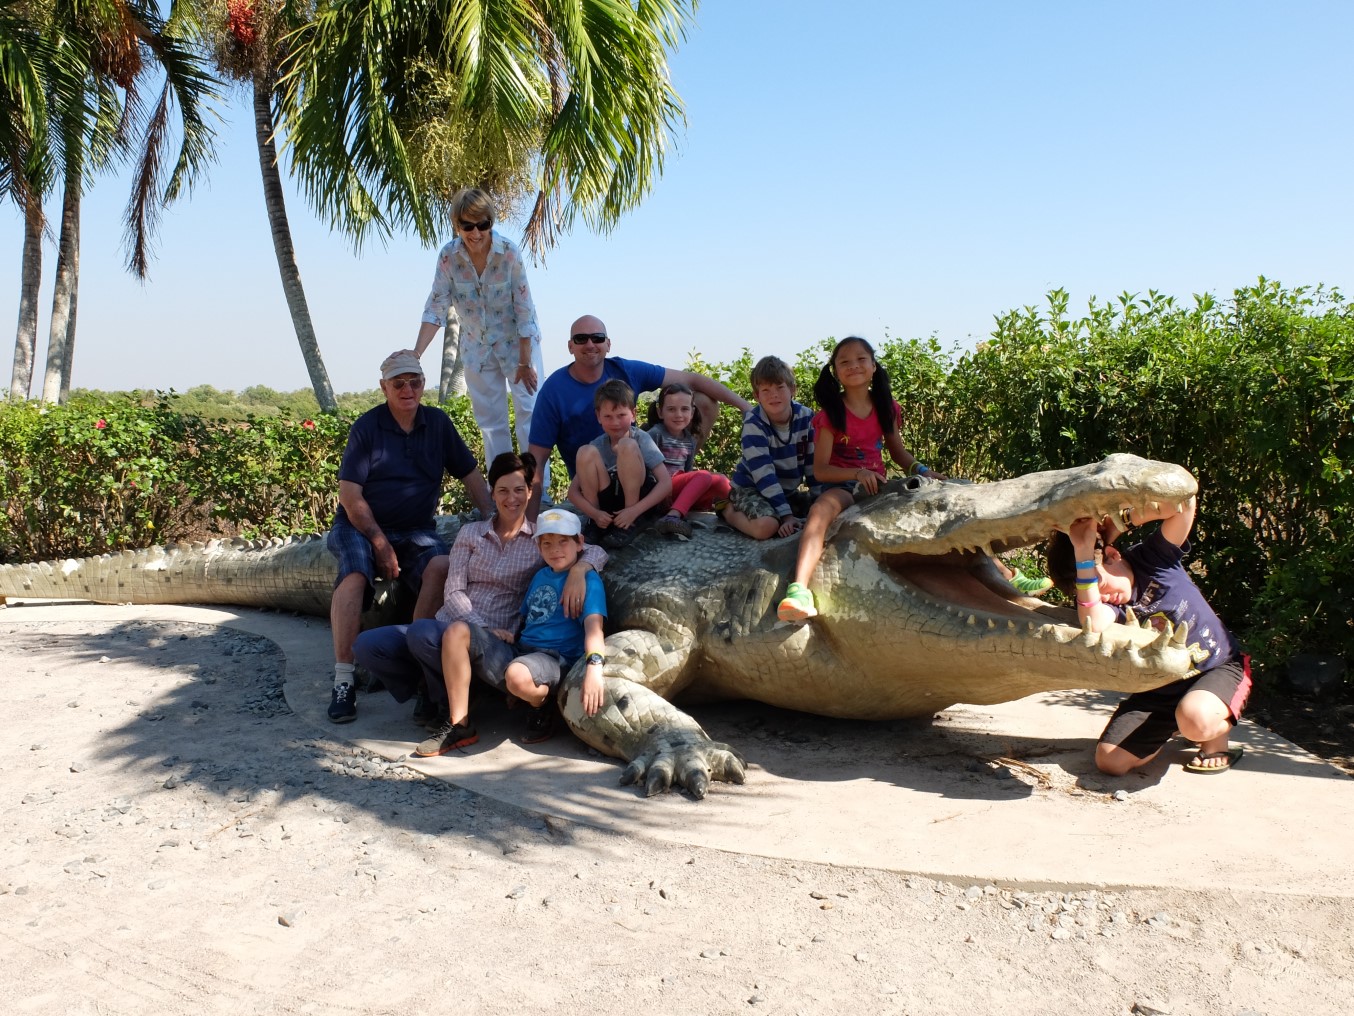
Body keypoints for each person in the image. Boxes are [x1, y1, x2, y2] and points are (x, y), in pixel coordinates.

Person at [353, 451, 605, 728]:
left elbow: (593, 550)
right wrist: (480, 625)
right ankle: (433, 687)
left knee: (420, 632)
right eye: (503, 490)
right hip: (455, 624)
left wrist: (581, 570)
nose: (512, 498)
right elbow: (453, 591)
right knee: (368, 645)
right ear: (492, 493)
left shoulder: (539, 540)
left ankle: (444, 698)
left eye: (519, 490)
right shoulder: (471, 533)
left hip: (494, 640)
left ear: (530, 492)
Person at [326, 350, 493, 724]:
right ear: (383, 387)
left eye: (414, 382)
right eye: (398, 383)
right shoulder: (367, 428)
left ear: (423, 385)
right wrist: (379, 543)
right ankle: (343, 679)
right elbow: (350, 497)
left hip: (416, 531)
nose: (407, 390)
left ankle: (425, 675)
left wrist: (494, 521)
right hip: (359, 526)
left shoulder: (438, 424)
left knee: (442, 567)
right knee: (355, 574)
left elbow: (471, 476)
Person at [1047, 496, 1251, 776]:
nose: (1102, 597)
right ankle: (1180, 720)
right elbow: (1093, 624)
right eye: (1088, 588)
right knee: (1110, 762)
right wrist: (1083, 553)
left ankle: (1215, 739)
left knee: (1197, 720)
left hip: (1217, 667)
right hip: (1161, 688)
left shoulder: (1154, 558)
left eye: (1099, 582)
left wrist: (1117, 523)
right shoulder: (1111, 607)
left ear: (1113, 555)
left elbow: (1185, 502)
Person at [415, 508, 608, 757]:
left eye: (563, 542)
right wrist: (510, 635)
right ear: (538, 547)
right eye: (547, 543)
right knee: (456, 631)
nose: (555, 549)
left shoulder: (588, 581)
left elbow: (594, 629)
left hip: (554, 658)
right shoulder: (540, 576)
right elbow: (529, 619)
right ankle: (459, 724)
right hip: (522, 651)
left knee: (517, 675)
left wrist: (594, 667)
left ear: (579, 543)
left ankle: (541, 704)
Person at [778, 337, 941, 623]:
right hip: (842, 486)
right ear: (836, 372)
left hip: (877, 487)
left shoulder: (887, 407)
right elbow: (821, 470)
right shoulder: (830, 415)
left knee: (941, 505)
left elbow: (898, 453)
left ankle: (1003, 573)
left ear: (874, 365)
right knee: (819, 511)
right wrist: (857, 473)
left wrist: (924, 471)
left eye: (861, 359)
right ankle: (798, 590)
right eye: (845, 361)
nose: (854, 365)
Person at [525, 314, 751, 517]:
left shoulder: (626, 370)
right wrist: (530, 523)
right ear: (570, 346)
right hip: (595, 480)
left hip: (638, 468)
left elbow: (692, 380)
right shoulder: (554, 390)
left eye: (597, 338)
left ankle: (674, 476)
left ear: (608, 344)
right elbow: (537, 460)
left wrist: (747, 409)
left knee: (704, 402)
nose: (590, 344)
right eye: (581, 338)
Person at [414, 187, 548, 490]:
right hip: (477, 348)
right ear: (457, 225)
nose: (475, 233)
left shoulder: (509, 252)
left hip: (520, 346)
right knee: (491, 424)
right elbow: (436, 306)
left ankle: (538, 491)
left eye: (482, 225)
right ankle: (502, 492)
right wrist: (416, 353)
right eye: (467, 226)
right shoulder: (448, 256)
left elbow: (524, 310)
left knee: (530, 414)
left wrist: (525, 362)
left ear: (491, 222)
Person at [720, 355, 818, 540]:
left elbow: (813, 464)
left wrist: (818, 498)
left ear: (792, 389)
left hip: (785, 492)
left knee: (825, 507)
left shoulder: (806, 417)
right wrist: (786, 516)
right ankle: (728, 511)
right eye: (766, 390)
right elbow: (763, 474)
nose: (774, 395)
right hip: (751, 488)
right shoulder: (754, 424)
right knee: (767, 527)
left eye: (780, 387)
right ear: (757, 396)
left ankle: (783, 509)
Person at [569, 380, 673, 549]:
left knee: (627, 445)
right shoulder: (597, 444)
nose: (615, 423)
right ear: (598, 416)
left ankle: (630, 523)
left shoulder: (641, 438)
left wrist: (635, 510)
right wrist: (594, 513)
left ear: (633, 414)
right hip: (607, 505)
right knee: (584, 451)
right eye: (608, 417)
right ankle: (596, 524)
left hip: (637, 502)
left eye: (621, 415)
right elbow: (573, 492)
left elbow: (665, 483)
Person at [645, 381, 733, 538]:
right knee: (704, 476)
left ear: (692, 412)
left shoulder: (690, 440)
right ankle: (672, 517)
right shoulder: (655, 434)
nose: (678, 415)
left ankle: (689, 506)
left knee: (722, 481)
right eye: (671, 409)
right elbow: (645, 469)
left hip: (677, 489)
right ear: (660, 412)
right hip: (660, 488)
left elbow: (688, 472)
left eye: (684, 409)